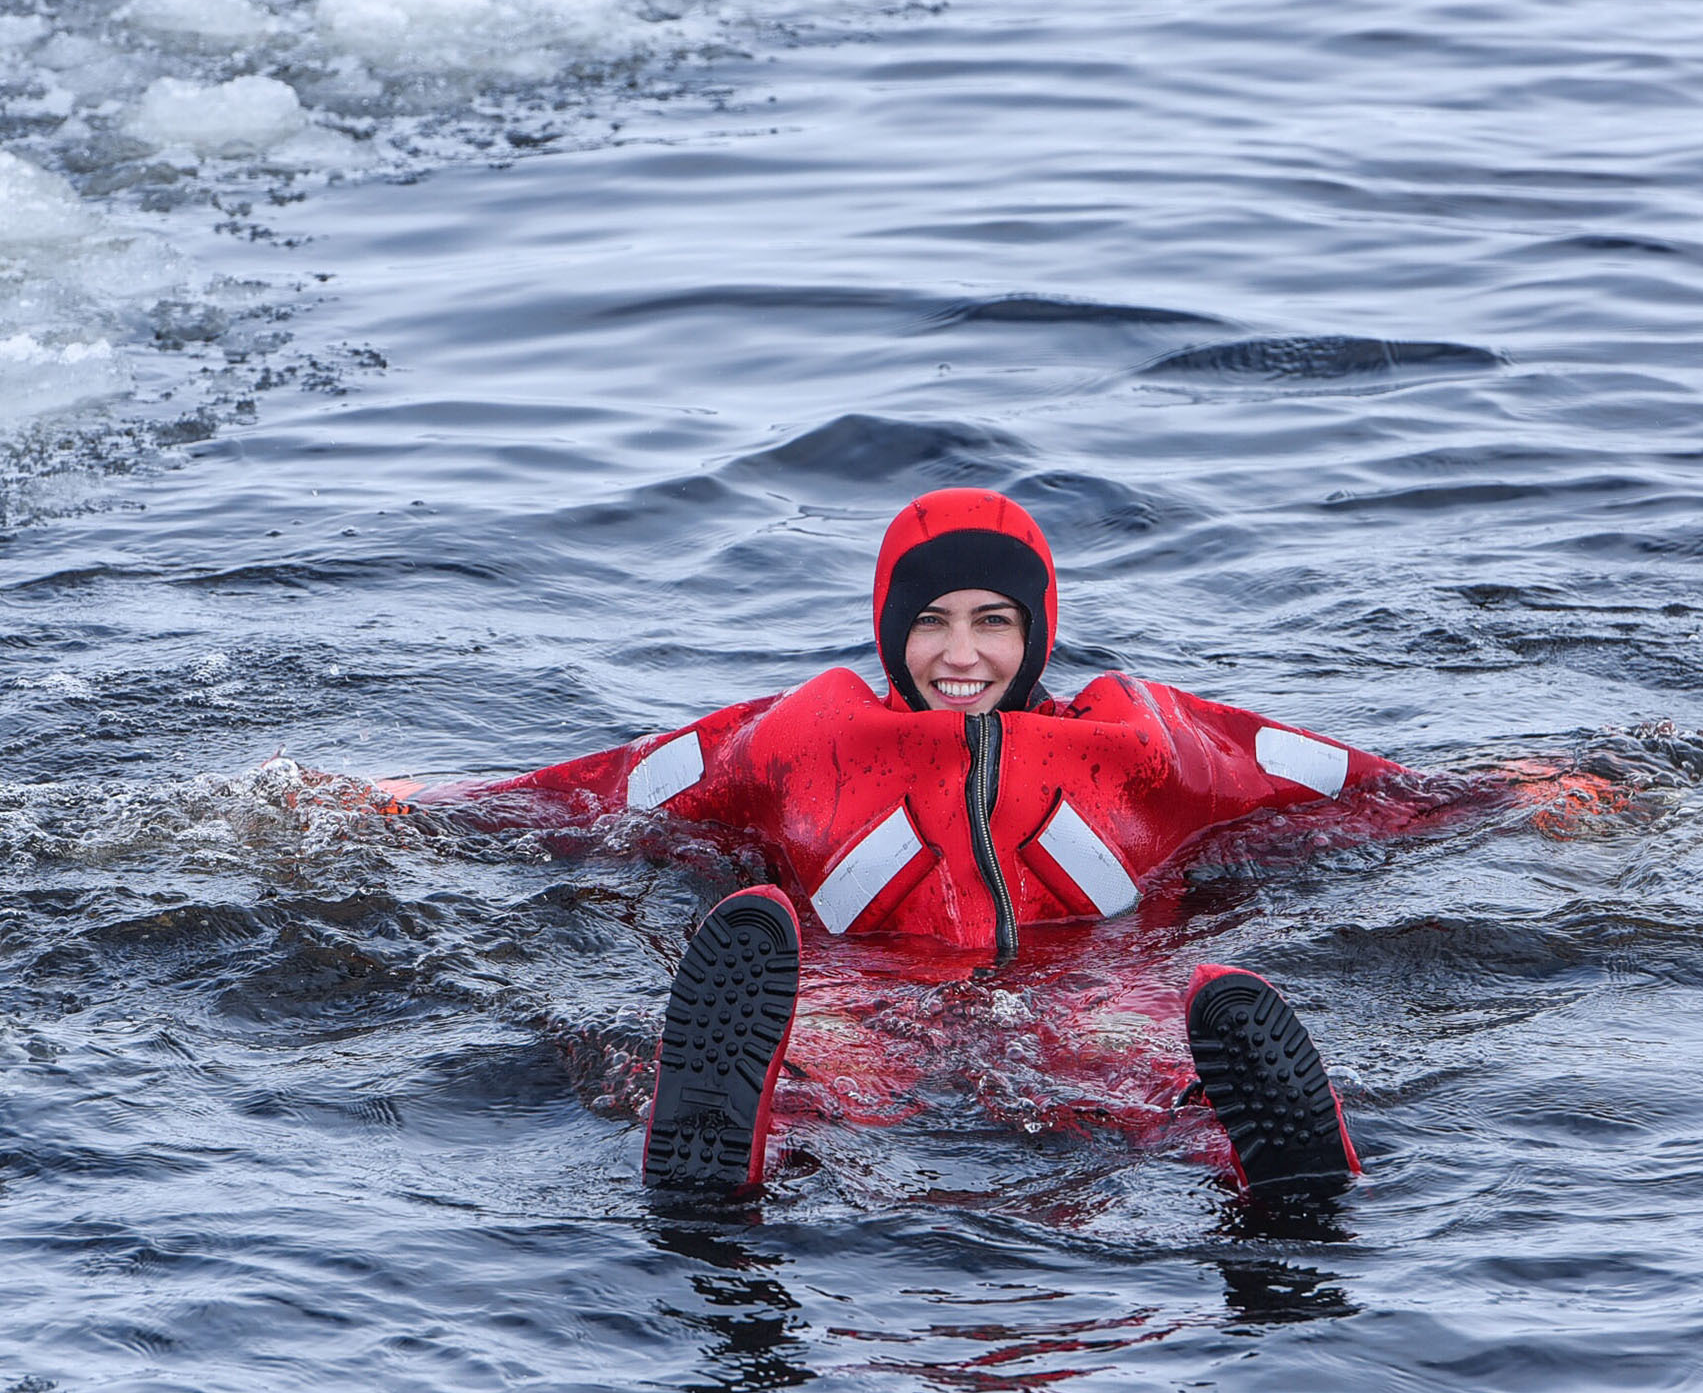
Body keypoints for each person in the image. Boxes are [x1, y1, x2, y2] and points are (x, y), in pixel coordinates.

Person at [423, 487, 1493, 1210]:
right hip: (867, 975)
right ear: (890, 626)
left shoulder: (1142, 741)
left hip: (1087, 973)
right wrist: (407, 807)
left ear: (1038, 629)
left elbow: (1339, 781)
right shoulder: (797, 739)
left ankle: (1270, 1157)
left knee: (1146, 1067)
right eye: (932, 620)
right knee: (824, 1065)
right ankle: (728, 1145)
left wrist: (1518, 793)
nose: (963, 653)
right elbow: (596, 793)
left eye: (995, 620)